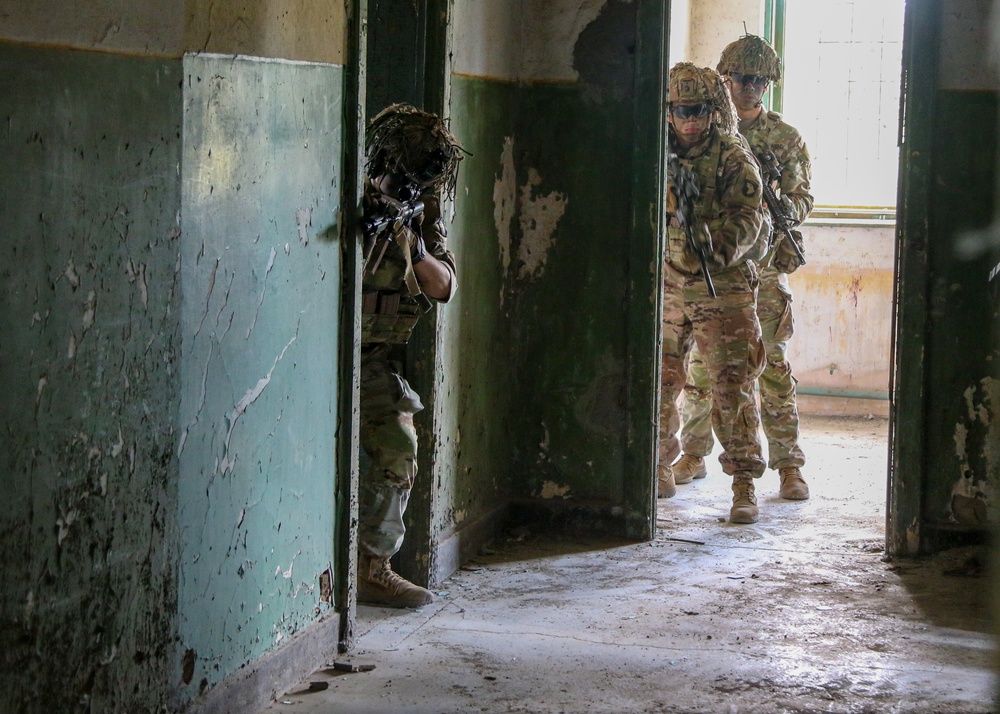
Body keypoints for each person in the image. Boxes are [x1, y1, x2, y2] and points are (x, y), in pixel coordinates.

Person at [671, 36, 814, 502]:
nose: (747, 88)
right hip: (703, 271)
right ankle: (693, 452)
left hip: (764, 268)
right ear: (724, 79)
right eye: (739, 78)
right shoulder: (701, 127)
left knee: (768, 364)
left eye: (757, 80)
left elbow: (803, 196)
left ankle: (788, 464)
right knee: (699, 367)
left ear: (768, 84)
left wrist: (779, 211)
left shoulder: (784, 138)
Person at [357, 103, 464, 607]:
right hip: (314, 358)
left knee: (399, 446)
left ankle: (374, 567)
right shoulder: (337, 184)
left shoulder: (420, 212)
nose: (404, 184)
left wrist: (413, 240)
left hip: (372, 359)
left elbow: (444, 287)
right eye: (397, 173)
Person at [659, 62, 768, 524]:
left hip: (719, 284)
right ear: (669, 110)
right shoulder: (655, 151)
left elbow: (749, 218)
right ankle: (657, 465)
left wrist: (714, 243)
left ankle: (743, 483)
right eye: (682, 110)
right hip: (666, 283)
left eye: (699, 110)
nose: (690, 120)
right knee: (659, 381)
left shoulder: (732, 156)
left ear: (712, 110)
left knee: (731, 386)